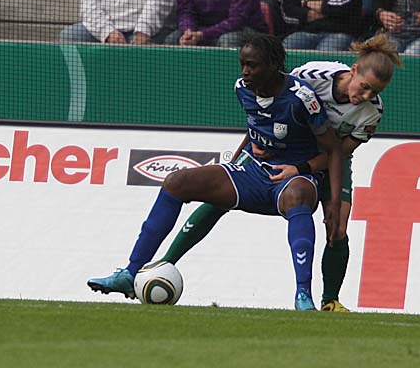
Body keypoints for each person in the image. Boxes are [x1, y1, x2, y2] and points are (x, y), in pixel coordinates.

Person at [88, 33, 343, 310]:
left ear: (273, 65)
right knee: (175, 182)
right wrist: (243, 155)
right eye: (242, 64)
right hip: (253, 173)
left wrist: (329, 197)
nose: (245, 71)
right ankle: (130, 273)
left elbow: (333, 150)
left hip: (293, 179)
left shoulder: (301, 97)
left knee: (298, 194)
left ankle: (303, 296)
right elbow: (258, 125)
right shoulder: (242, 89)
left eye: (252, 65)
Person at [155, 34, 403, 312]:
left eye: (374, 92)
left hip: (329, 159)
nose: (366, 97)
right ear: (354, 70)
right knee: (219, 198)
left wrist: (301, 170)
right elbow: (271, 105)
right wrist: (253, 140)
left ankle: (329, 301)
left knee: (337, 229)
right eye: (365, 87)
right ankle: (165, 263)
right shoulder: (313, 74)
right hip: (283, 145)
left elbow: (339, 152)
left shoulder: (372, 112)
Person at [280, 0, 365, 51]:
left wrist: (306, 3)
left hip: (340, 33)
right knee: (283, 51)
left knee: (325, 55)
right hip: (304, 33)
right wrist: (309, 14)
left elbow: (345, 4)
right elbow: (287, 10)